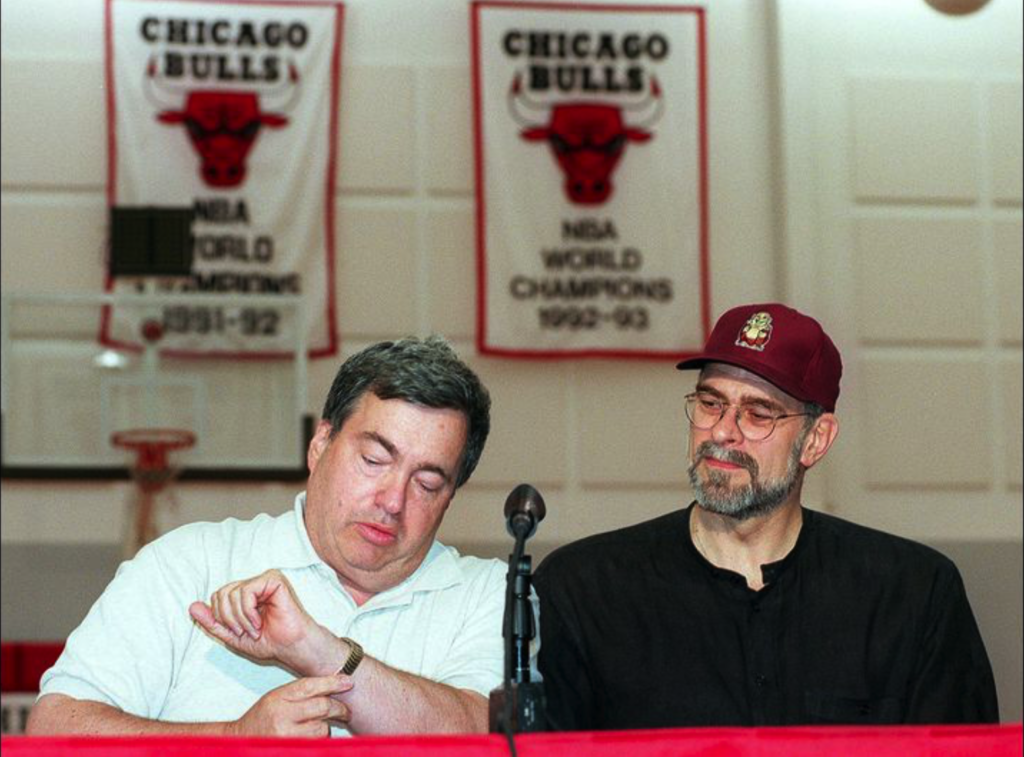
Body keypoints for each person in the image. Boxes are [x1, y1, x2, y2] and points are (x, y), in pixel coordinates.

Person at [534, 303, 999, 729]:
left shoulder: (913, 595)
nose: (722, 431)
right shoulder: (584, 590)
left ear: (816, 440)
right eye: (711, 403)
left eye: (758, 414)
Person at [28, 336, 505, 737]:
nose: (393, 500)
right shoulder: (190, 563)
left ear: (451, 496)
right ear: (320, 445)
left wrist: (317, 651)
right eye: (374, 461)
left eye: (427, 483)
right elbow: (54, 727)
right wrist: (234, 739)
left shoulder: (489, 593)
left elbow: (483, 734)